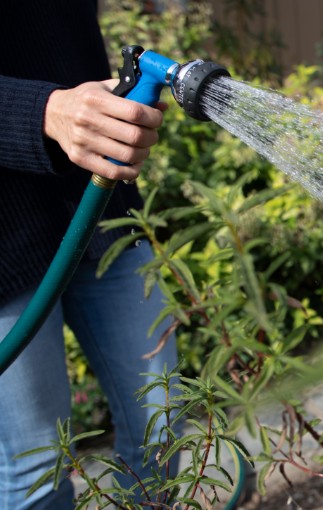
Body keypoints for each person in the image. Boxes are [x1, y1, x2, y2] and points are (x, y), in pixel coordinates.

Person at [0, 1, 178, 508]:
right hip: (5, 241)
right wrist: (43, 111)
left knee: (162, 427)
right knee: (38, 469)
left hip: (101, 209)